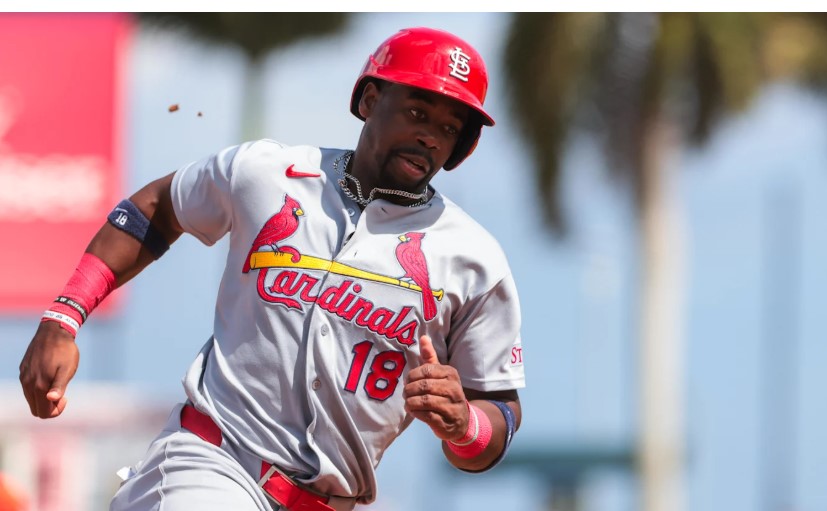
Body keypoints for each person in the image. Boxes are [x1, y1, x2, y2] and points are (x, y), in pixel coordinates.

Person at [18, 27, 525, 511]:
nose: (430, 137)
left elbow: (499, 409)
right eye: (417, 112)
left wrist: (465, 425)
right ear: (370, 100)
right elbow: (157, 207)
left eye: (449, 128)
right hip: (211, 462)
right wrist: (64, 317)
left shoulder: (473, 259)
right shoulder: (268, 174)